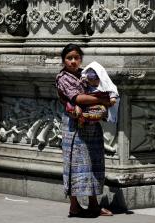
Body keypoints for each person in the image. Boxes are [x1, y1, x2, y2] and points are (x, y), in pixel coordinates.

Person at [55, 43, 114, 218]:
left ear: (81, 58)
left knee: (94, 164)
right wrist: (102, 99)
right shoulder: (63, 78)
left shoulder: (85, 74)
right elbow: (77, 97)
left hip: (92, 125)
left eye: (76, 58)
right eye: (69, 58)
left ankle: (94, 204)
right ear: (64, 60)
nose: (73, 61)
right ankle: (74, 206)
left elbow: (100, 85)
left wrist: (102, 94)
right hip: (75, 128)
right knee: (75, 166)